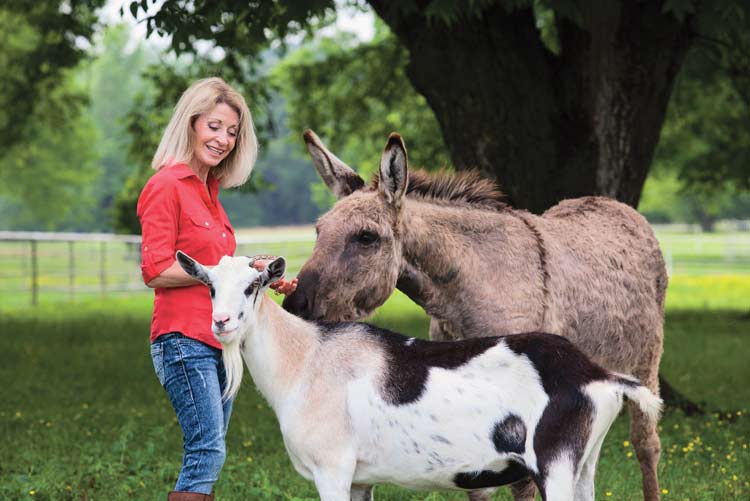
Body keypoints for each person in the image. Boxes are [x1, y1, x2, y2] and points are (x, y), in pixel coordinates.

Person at [137, 77, 297, 501]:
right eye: (214, 126)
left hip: (219, 339)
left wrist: (254, 271)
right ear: (190, 125)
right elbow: (154, 269)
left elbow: (218, 265)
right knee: (206, 451)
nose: (223, 139)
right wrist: (219, 271)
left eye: (232, 132)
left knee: (210, 454)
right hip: (182, 340)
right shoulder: (166, 186)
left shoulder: (210, 193)